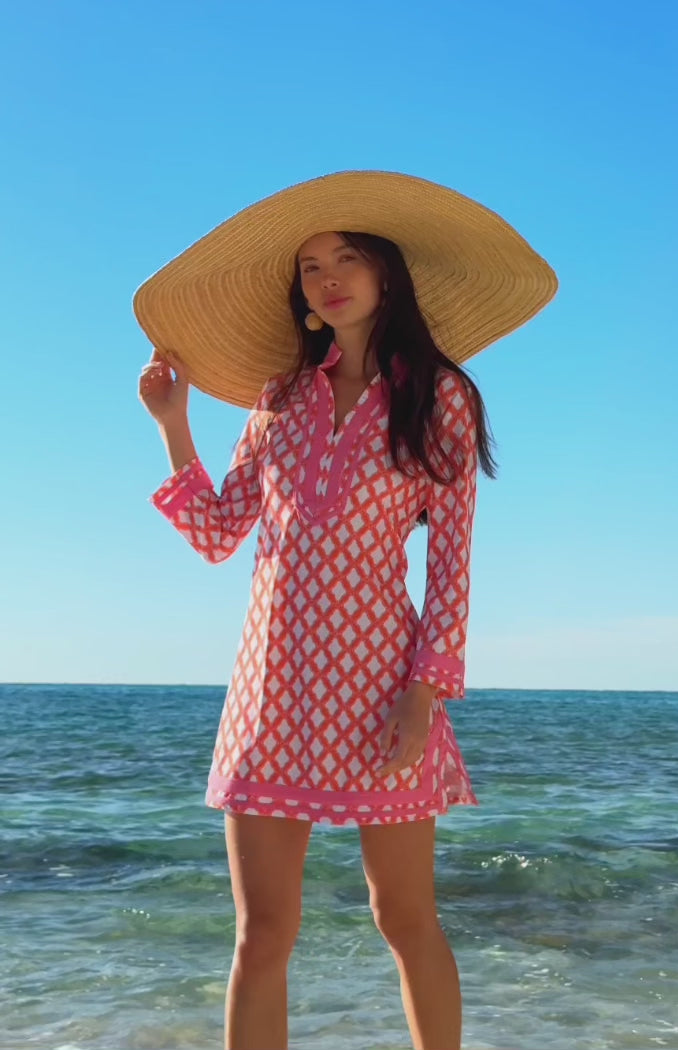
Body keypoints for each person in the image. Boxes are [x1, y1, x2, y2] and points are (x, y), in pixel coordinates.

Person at [135, 171, 556, 1050]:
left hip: (380, 687)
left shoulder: (438, 396)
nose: (327, 278)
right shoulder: (279, 400)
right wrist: (174, 425)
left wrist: (425, 692)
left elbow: (451, 565)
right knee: (261, 937)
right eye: (311, 267)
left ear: (386, 275)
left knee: (403, 919)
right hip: (271, 691)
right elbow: (218, 534)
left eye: (346, 259)